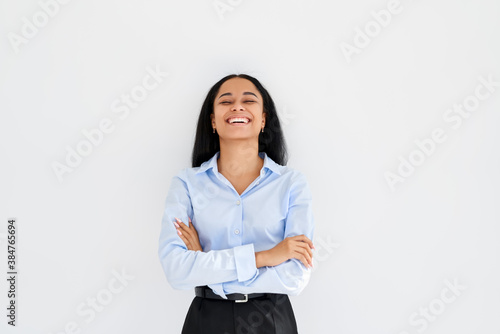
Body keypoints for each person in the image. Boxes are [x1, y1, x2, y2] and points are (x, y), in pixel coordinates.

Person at [158, 74, 315, 334]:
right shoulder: (187, 183)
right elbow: (177, 270)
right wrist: (266, 257)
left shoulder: (291, 184)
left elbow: (294, 278)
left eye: (249, 100)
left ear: (263, 118)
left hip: (272, 320)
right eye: (226, 101)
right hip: (207, 321)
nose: (237, 107)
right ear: (213, 120)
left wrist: (205, 264)